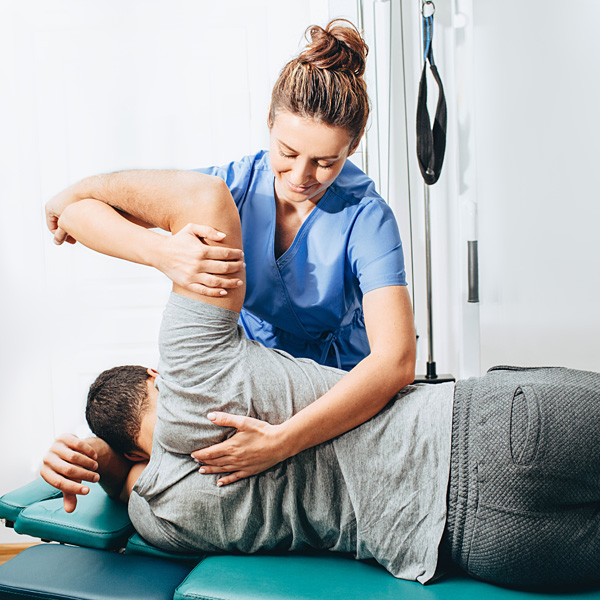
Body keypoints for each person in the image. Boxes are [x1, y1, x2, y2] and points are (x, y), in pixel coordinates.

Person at [42, 177, 600, 589]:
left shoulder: (162, 514)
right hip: (486, 432)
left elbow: (125, 481)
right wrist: (111, 222)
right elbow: (205, 197)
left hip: (481, 544)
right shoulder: (195, 367)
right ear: (152, 373)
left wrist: (95, 453)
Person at [43, 19, 417, 487]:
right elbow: (79, 214)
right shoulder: (233, 187)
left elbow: (398, 360)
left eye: (325, 162)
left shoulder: (367, 217)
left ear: (353, 147)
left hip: (332, 391)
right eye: (287, 151)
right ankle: (92, 456)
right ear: (269, 121)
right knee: (182, 465)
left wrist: (283, 440)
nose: (301, 175)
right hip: (246, 377)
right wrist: (162, 253)